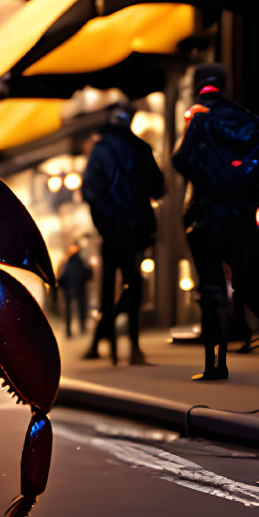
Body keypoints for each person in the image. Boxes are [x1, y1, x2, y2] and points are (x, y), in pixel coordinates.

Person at [171, 64, 259, 382]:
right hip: (239, 211)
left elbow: (181, 159)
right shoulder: (247, 118)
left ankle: (215, 363)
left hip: (205, 211)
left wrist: (209, 179)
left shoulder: (198, 117)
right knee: (237, 280)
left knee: (211, 289)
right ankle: (244, 337)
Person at [81, 102, 165, 365]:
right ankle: (134, 347)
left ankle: (101, 342)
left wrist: (105, 220)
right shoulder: (141, 149)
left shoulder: (100, 150)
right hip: (135, 227)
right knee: (133, 283)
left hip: (111, 230)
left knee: (108, 284)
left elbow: (90, 191)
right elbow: (159, 187)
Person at [56, 244, 91, 338]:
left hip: (69, 289)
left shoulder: (68, 262)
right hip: (79, 289)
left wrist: (59, 283)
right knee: (80, 308)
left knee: (69, 311)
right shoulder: (80, 262)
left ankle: (69, 331)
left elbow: (63, 276)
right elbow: (87, 274)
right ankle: (81, 328)